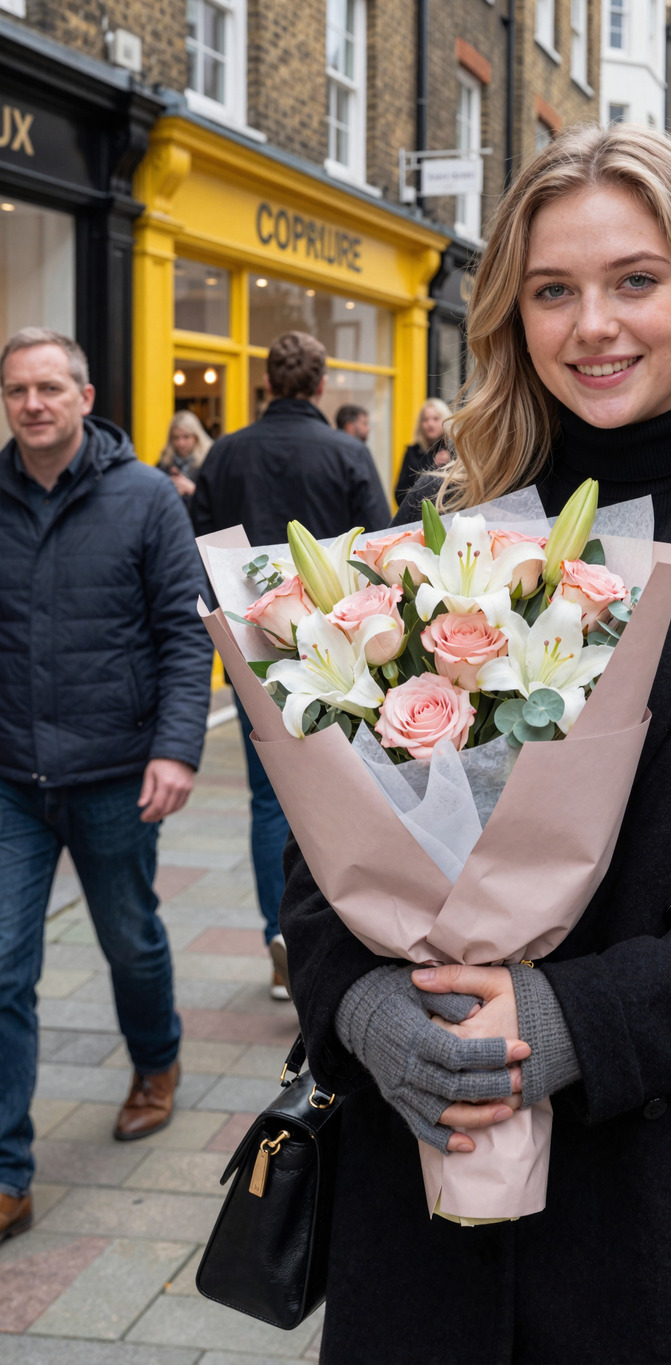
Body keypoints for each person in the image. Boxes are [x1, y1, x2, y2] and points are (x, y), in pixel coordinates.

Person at [278, 125, 671, 1363]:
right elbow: (326, 840)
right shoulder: (444, 545)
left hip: (670, 1190)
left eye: (635, 281)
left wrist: (580, 1021)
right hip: (433, 1179)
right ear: (512, 317)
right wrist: (357, 1008)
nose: (593, 326)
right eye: (552, 291)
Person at [0, 328, 211, 1242]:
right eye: (16, 391)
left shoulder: (146, 499)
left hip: (116, 771)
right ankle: (7, 1171)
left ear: (86, 397)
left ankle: (156, 1059)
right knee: (3, 966)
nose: (33, 404)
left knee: (129, 940)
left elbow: (184, 630)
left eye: (50, 387)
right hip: (10, 777)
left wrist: (178, 749)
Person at [192, 332, 389, 998]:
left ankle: (277, 931)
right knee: (345, 791)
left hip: (254, 651)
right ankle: (334, 929)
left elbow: (201, 551)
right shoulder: (348, 452)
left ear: (268, 383)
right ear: (320, 385)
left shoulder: (225, 453)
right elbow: (380, 553)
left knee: (265, 800)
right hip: (336, 651)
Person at [393, 397, 451, 507]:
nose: (430, 424)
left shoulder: (455, 450)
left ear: (445, 420)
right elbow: (400, 494)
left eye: (435, 418)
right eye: (425, 419)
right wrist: (432, 466)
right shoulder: (413, 452)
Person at [157, 409, 211, 503]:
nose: (181, 443)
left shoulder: (209, 462)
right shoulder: (164, 463)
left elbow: (217, 498)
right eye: (176, 437)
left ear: (196, 437)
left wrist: (192, 489)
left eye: (186, 437)